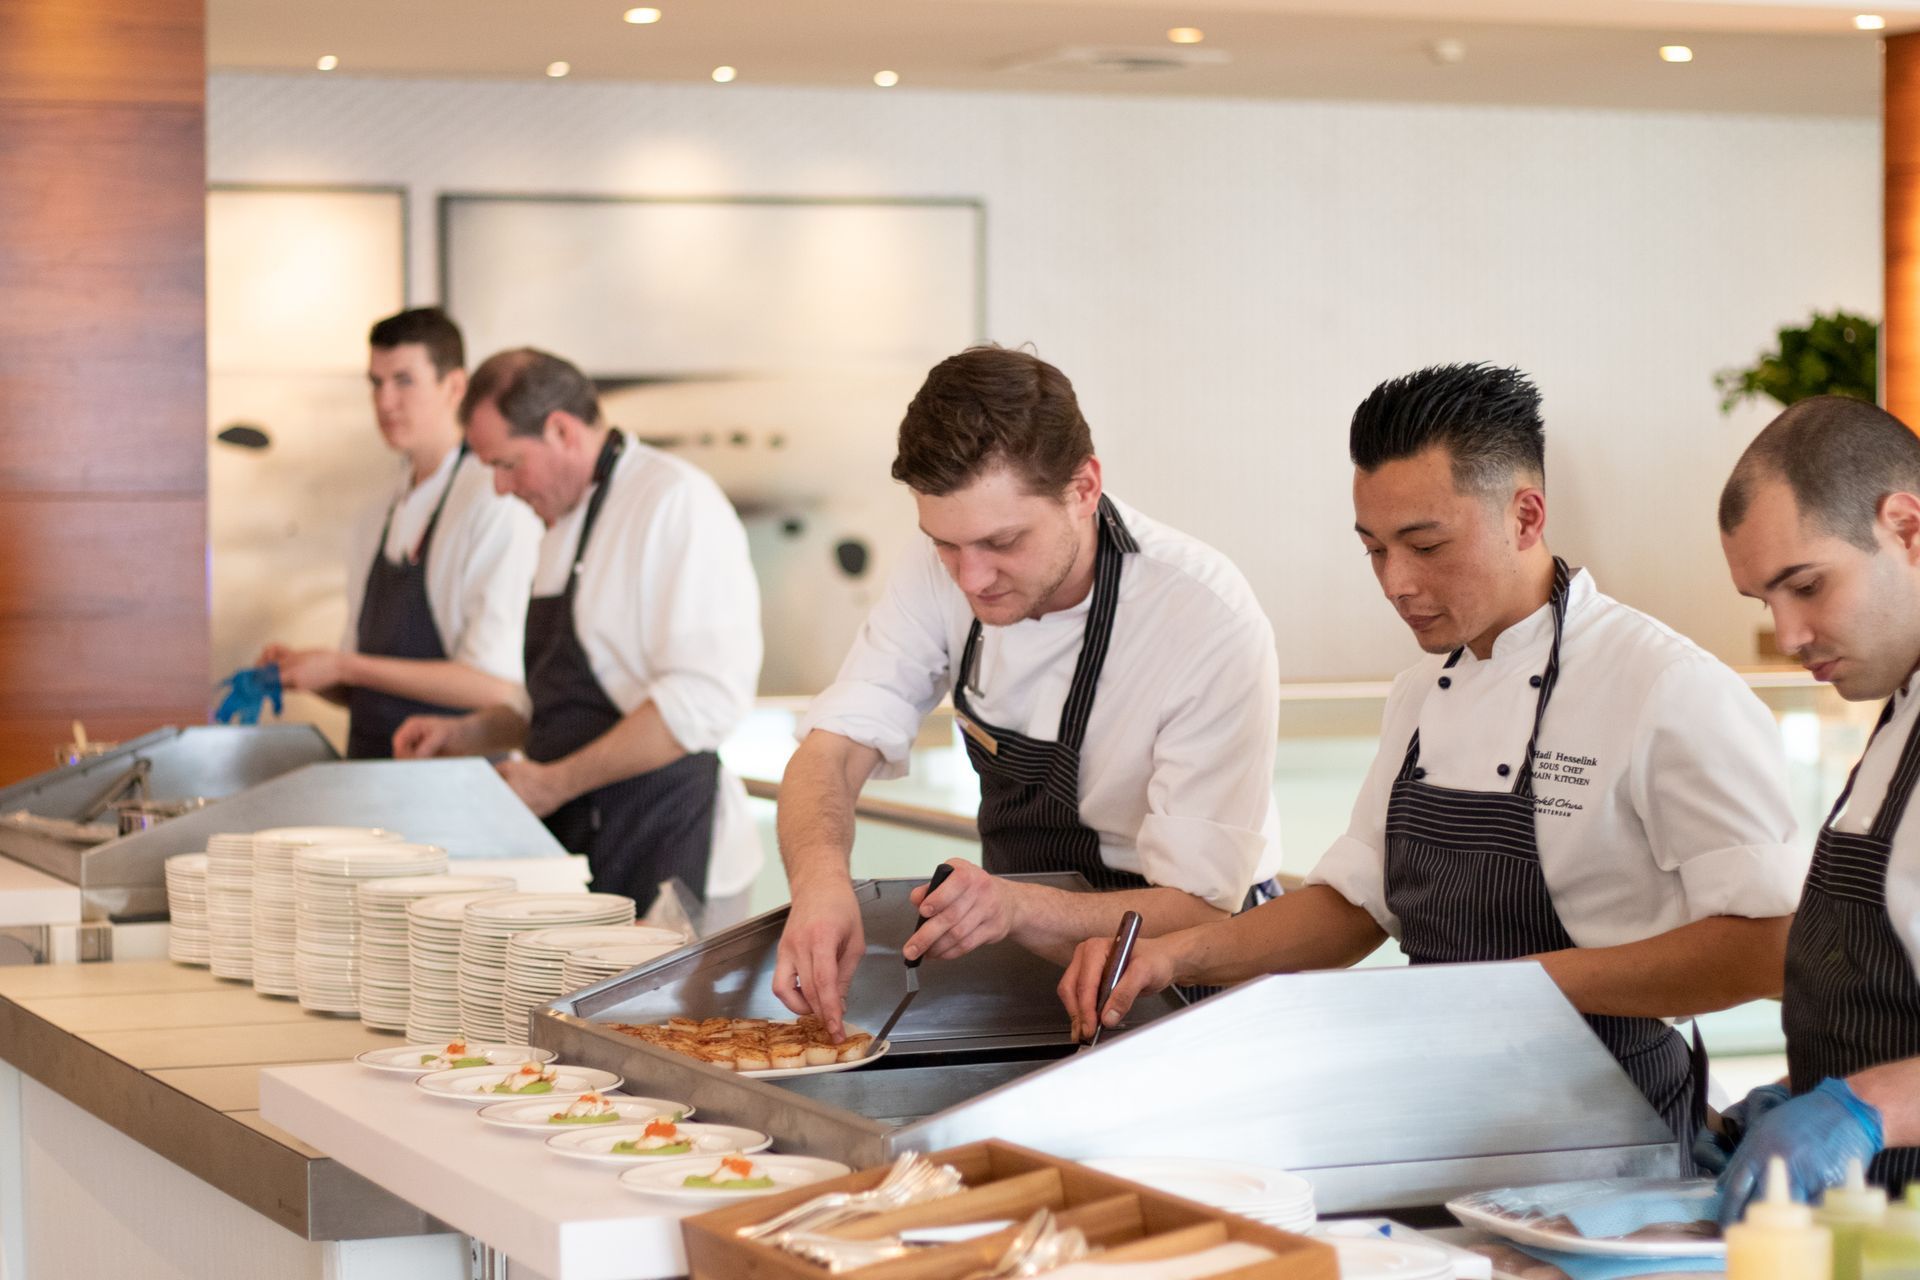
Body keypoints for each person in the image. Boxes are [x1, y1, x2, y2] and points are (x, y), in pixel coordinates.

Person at [1060, 362, 1807, 1161]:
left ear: (1526, 515)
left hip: (1616, 1147)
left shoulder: (1665, 687)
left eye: (1426, 545)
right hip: (1438, 1125)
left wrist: (1517, 988)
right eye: (1374, 549)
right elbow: (1355, 906)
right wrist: (1169, 957)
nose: (1396, 582)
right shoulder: (1421, 691)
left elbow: (1769, 947)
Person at [773, 345, 1284, 1039]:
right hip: (1033, 963)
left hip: (1187, 976)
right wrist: (819, 882)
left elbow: (1200, 907)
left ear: (1084, 488)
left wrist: (1016, 909)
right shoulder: (939, 570)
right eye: (946, 545)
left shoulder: (1201, 617)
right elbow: (832, 750)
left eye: (1002, 542)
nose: (971, 578)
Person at [393, 348, 763, 922]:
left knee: (672, 1018)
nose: (498, 487)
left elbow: (703, 701)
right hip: (587, 844)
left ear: (562, 431)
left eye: (507, 463)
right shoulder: (557, 522)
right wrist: (471, 733)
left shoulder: (673, 501)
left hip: (670, 851)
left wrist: (554, 782)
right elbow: (563, 702)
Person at [1714, 395, 1920, 1217]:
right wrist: (1796, 1091)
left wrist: (1866, 1109)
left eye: (1806, 586)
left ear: (1906, 528)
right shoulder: (1898, 707)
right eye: (1766, 600)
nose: (1788, 632)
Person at [261, 307, 541, 759]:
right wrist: (310, 672)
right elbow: (363, 687)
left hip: (455, 788)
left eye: (404, 380)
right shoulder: (377, 514)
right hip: (371, 777)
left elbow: (495, 688)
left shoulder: (493, 502)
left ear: (455, 387)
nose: (385, 402)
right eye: (375, 383)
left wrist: (345, 666)